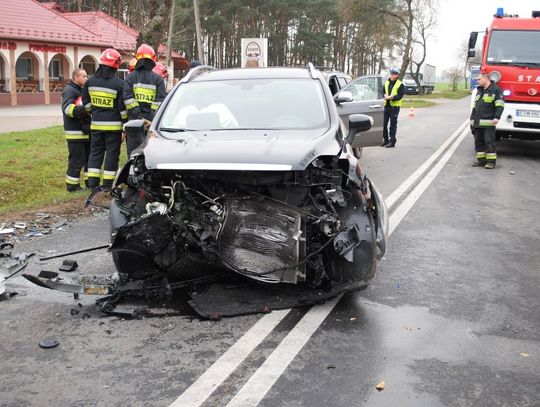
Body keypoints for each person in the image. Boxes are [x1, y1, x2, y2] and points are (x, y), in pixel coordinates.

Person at [82, 48, 127, 189]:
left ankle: (92, 183)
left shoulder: (90, 82)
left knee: (95, 152)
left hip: (96, 125)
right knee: (112, 154)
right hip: (113, 128)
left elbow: (86, 103)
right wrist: (125, 123)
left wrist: (94, 112)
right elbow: (122, 109)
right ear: (116, 65)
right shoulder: (119, 84)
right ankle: (107, 184)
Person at [123, 44, 167, 155]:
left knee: (133, 154)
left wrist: (139, 117)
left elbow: (129, 100)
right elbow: (160, 101)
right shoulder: (158, 79)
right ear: (153, 60)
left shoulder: (130, 77)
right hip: (152, 123)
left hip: (133, 122)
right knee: (150, 154)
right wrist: (149, 118)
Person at [61, 68, 90, 192]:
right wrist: (84, 110)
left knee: (88, 159)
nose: (86, 78)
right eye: (83, 76)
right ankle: (72, 186)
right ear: (76, 77)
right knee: (76, 160)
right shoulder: (69, 90)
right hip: (75, 133)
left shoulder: (80, 90)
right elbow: (67, 109)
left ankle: (90, 184)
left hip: (85, 132)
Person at [470, 72, 504, 169]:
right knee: (478, 142)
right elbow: (475, 106)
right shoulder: (479, 90)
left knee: (489, 142)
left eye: (479, 79)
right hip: (477, 122)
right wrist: (472, 119)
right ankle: (481, 161)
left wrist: (497, 117)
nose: (477, 81)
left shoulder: (495, 90)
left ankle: (491, 162)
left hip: (488, 123)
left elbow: (500, 105)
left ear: (486, 79)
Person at [382, 67, 404, 148]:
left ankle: (392, 142)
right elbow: (383, 91)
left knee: (392, 125)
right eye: (390, 73)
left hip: (394, 107)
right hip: (386, 106)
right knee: (384, 124)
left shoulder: (400, 84)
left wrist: (392, 97)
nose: (390, 75)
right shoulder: (386, 82)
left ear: (396, 75)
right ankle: (386, 140)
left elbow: (400, 96)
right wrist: (384, 95)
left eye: (392, 74)